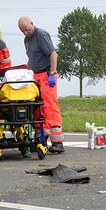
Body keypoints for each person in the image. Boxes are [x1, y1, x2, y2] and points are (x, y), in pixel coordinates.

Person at [17, 16, 65, 153]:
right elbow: (32, 58)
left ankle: (57, 142)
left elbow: (53, 54)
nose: (26, 32)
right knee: (37, 108)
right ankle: (40, 139)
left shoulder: (41, 35)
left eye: (27, 29)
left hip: (46, 74)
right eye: (23, 31)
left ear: (32, 24)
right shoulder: (27, 40)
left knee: (49, 106)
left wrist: (52, 73)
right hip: (35, 75)